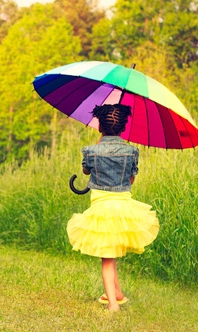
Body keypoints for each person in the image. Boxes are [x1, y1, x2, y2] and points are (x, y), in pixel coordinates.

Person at [67, 104, 160, 311]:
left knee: (107, 259)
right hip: (123, 208)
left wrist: (98, 149)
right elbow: (131, 179)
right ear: (123, 128)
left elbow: (85, 171)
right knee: (110, 252)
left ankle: (112, 305)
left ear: (100, 126)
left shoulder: (91, 150)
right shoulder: (131, 151)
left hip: (102, 209)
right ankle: (117, 293)